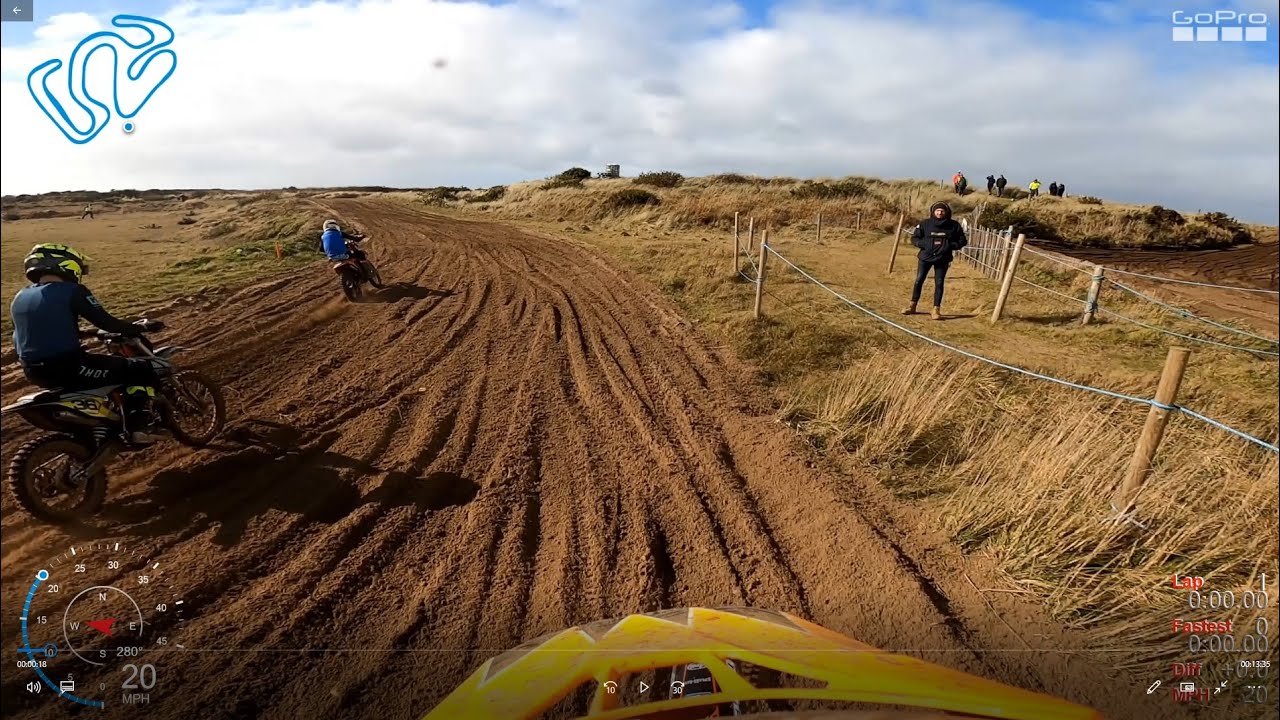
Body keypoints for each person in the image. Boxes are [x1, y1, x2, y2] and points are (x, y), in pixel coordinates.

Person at [9, 244, 164, 444]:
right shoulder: (72, 291)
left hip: (34, 372)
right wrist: (140, 328)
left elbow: (27, 333)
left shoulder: (20, 297)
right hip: (70, 367)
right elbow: (107, 323)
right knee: (141, 369)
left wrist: (86, 333)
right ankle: (138, 427)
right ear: (66, 264)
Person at [904, 202, 967, 320]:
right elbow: (915, 238)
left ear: (946, 212)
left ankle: (936, 310)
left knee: (939, 283)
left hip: (943, 258)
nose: (940, 212)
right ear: (933, 211)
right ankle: (912, 305)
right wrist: (924, 244)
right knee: (919, 280)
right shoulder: (925, 224)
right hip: (925, 257)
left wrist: (949, 245)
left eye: (942, 211)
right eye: (937, 210)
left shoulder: (954, 225)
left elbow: (962, 240)